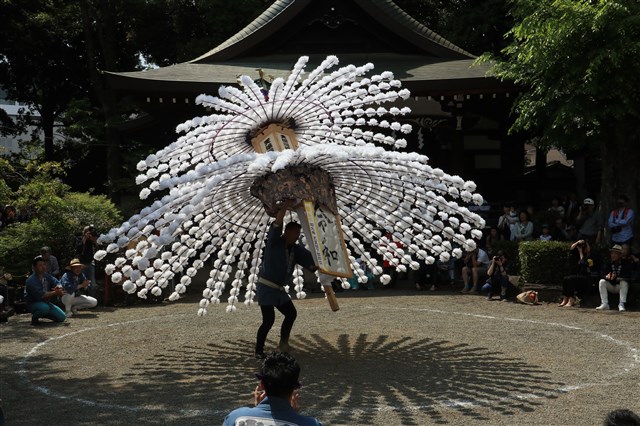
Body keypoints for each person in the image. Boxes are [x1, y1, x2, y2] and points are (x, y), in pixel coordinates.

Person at [255, 199, 318, 359]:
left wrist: (321, 266)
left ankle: (283, 344)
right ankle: (258, 351)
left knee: (291, 313)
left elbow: (312, 264)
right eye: (295, 233)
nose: (297, 236)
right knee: (268, 320)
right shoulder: (274, 242)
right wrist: (286, 204)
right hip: (266, 287)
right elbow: (278, 220)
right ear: (286, 232)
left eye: (299, 234)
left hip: (279, 290)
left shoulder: (296, 249)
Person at [223, 351, 322, 426]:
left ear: (262, 384)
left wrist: (257, 410)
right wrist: (295, 416)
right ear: (294, 387)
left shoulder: (236, 417)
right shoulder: (311, 424)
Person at [24, 255, 66, 325]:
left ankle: (43, 313)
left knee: (62, 317)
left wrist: (58, 287)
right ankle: (34, 318)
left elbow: (57, 282)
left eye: (44, 264)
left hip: (46, 303)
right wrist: (55, 293)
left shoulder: (47, 275)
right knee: (44, 308)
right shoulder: (31, 280)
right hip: (33, 303)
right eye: (40, 265)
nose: (43, 267)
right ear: (35, 268)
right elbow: (42, 295)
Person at [596, 245, 632, 312]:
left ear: (620, 255)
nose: (613, 255)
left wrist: (618, 278)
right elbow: (603, 274)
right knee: (602, 281)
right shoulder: (608, 263)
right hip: (611, 285)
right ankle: (605, 304)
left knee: (624, 282)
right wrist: (608, 277)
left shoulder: (626, 263)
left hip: (620, 286)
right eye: (612, 253)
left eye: (615, 253)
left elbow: (628, 276)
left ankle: (621, 304)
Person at [560, 239, 594, 308]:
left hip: (588, 279)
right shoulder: (579, 254)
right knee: (566, 278)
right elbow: (571, 248)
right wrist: (577, 242)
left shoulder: (592, 257)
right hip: (580, 277)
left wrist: (581, 253)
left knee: (571, 279)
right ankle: (565, 298)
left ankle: (571, 299)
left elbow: (583, 264)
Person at [77, 225, 98, 297]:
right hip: (81, 263)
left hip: (90, 263)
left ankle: (92, 299)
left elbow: (97, 245)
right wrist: (85, 238)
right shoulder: (80, 238)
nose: (88, 233)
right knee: (81, 282)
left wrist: (92, 238)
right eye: (87, 232)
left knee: (92, 284)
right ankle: (81, 299)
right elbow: (79, 249)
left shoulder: (91, 239)